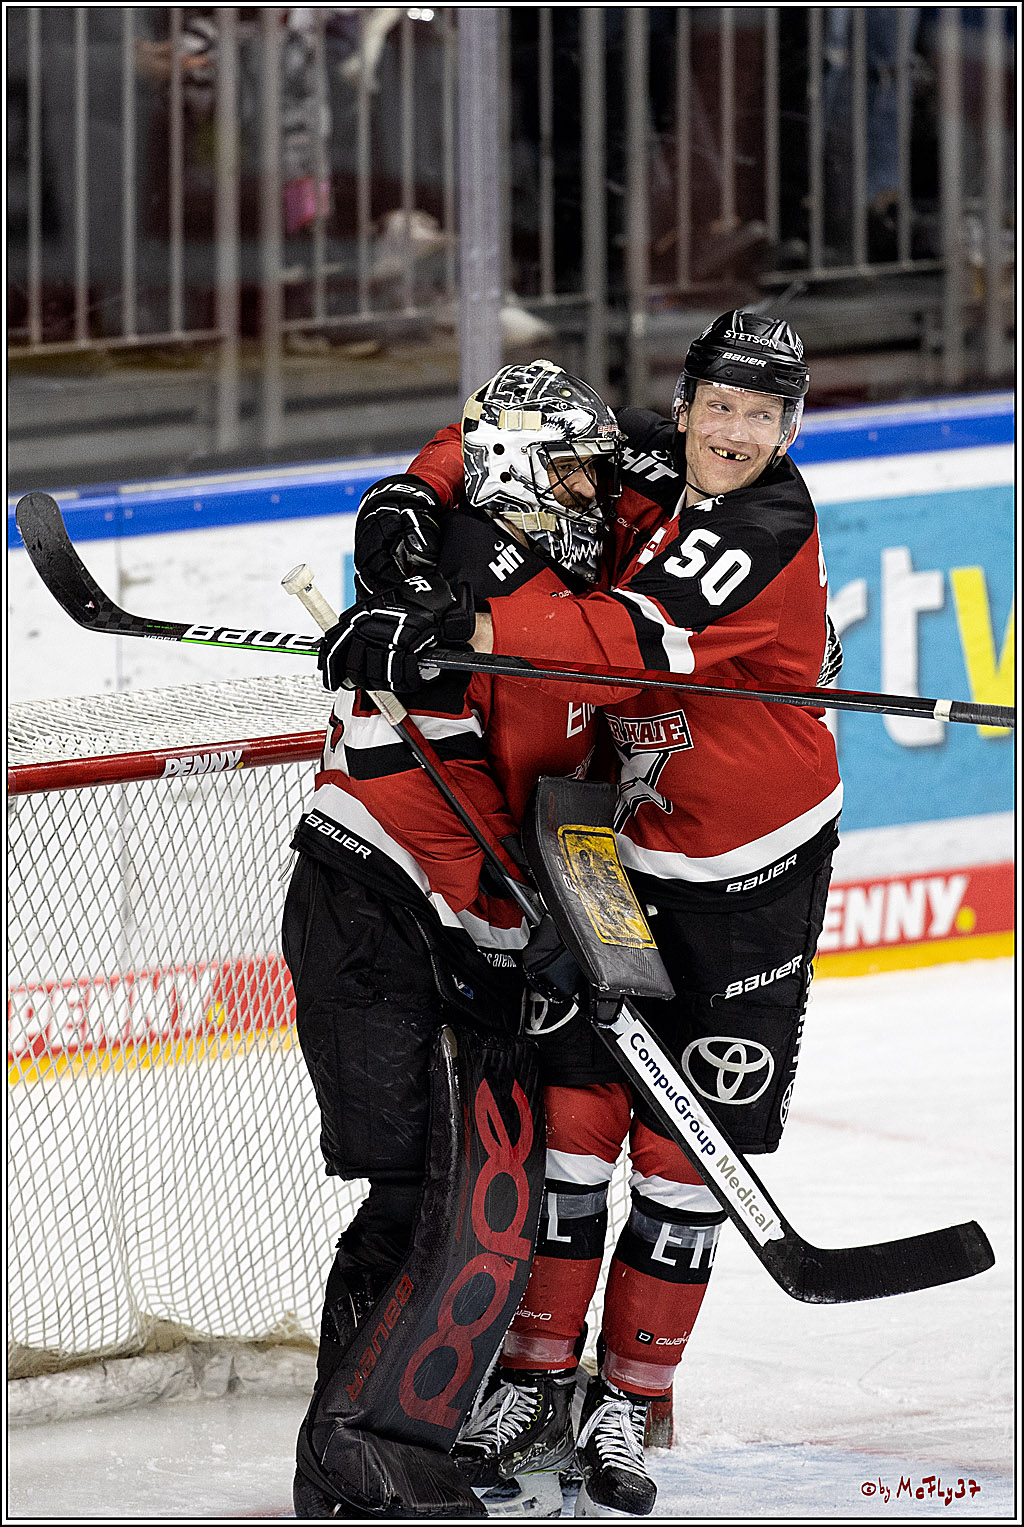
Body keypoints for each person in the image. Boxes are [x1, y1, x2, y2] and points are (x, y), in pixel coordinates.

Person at [340, 312, 843, 1518]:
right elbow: (507, 437)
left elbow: (622, 644)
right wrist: (412, 499)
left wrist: (451, 633)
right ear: (681, 403)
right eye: (719, 405)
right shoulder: (643, 463)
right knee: (574, 1124)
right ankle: (536, 1380)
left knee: (683, 1156)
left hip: (748, 876)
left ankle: (630, 1396)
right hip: (604, 845)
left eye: (762, 416)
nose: (734, 432)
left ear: (789, 429)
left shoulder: (768, 521)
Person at [285, 360, 624, 1518]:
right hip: (373, 907)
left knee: (480, 1188)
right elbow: (411, 788)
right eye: (574, 468)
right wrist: (507, 925)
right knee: (417, 1186)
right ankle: (352, 1454)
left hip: (469, 913)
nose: (598, 487)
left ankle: (400, 1433)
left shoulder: (556, 557)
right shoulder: (449, 586)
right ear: (523, 470)